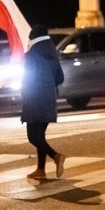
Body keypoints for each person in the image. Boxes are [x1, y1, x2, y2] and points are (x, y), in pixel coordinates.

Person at [21, 25, 66, 180]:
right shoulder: (53, 53)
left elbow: (27, 80)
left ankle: (56, 156)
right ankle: (41, 169)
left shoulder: (31, 55)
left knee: (33, 136)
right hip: (49, 98)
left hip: (34, 98)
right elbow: (60, 77)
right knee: (40, 135)